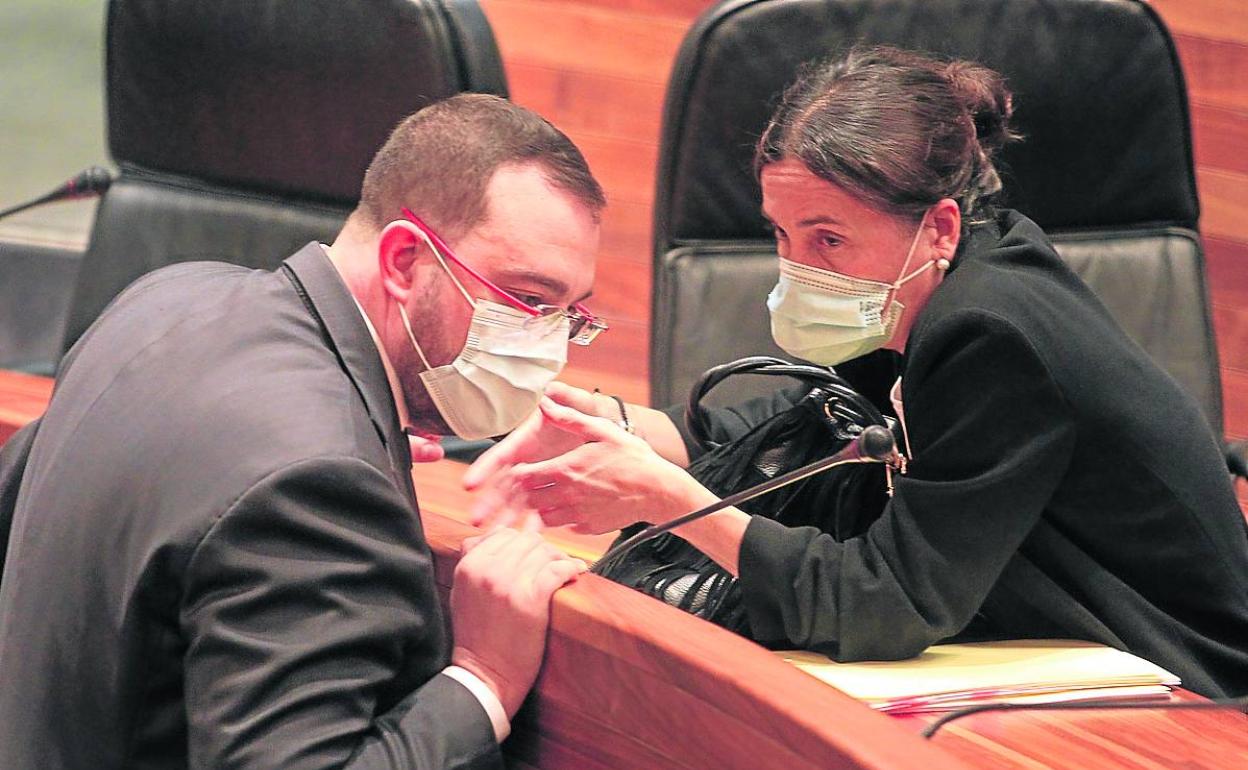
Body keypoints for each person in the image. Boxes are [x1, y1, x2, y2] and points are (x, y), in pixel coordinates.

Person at [465, 48, 1248, 699]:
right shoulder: (940, 273)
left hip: (1184, 690)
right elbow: (807, 423)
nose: (796, 267)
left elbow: (886, 602)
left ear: (937, 224)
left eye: (829, 240)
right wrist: (612, 424)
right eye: (781, 233)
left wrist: (667, 497)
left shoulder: (989, 332)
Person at [0, 94, 606, 769]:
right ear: (405, 260)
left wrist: (350, 435)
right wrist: (482, 681)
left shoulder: (167, 297)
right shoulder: (318, 478)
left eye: (569, 316)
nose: (550, 342)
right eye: (530, 301)